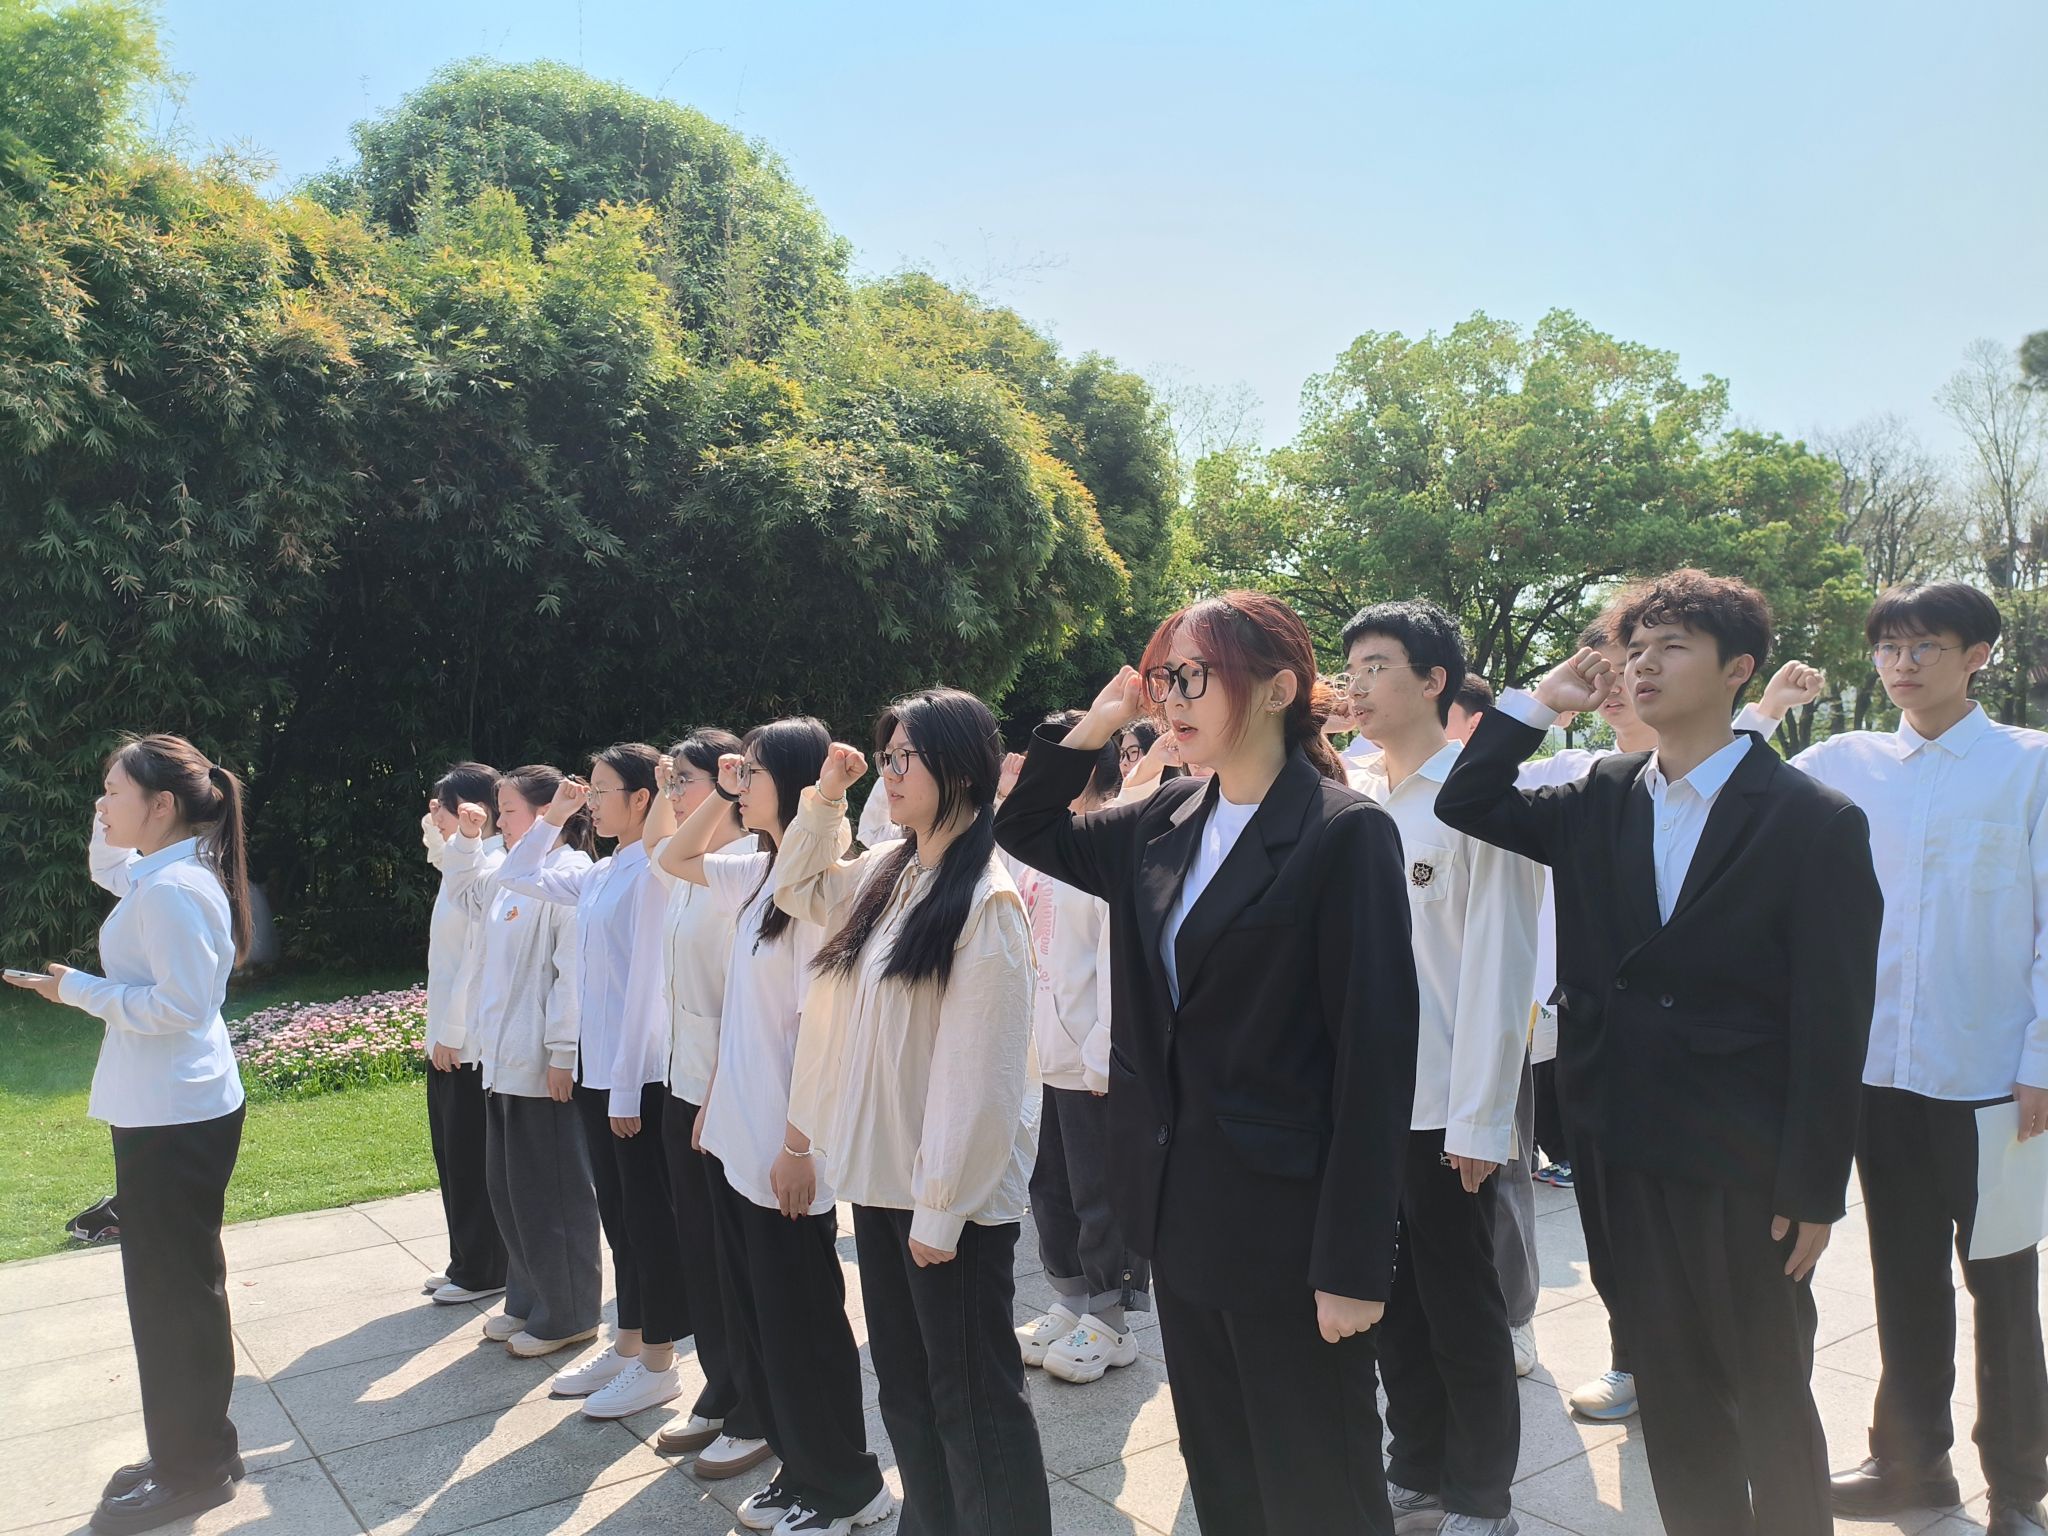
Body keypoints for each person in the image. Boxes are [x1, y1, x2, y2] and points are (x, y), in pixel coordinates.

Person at [1436, 568, 1883, 1536]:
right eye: (1632, 649)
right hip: (1622, 1141)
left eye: (1670, 647)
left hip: (1743, 1158)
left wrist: (1814, 1184)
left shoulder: (1812, 819)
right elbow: (1467, 800)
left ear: (1738, 669)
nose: (1640, 666)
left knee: (1768, 1388)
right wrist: (1539, 704)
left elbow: (1834, 1019)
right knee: (1672, 1391)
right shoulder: (1598, 794)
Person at [996, 590, 1421, 1533]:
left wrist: (1355, 1263)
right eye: (1164, 678)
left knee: (1320, 1481)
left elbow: (1377, 1058)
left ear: (1277, 689)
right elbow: (1024, 828)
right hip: (1178, 1207)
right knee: (1222, 1469)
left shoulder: (1343, 831)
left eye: (1194, 676)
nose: (1172, 698)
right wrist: (1100, 721)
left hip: (1288, 1225)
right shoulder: (1164, 815)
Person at [1755, 584, 2048, 1536]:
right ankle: (1912, 1467)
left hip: (1993, 1078)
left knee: (2003, 1286)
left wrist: (2042, 1059)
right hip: (1879, 1073)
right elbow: (1733, 782)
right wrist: (1769, 708)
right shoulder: (1846, 762)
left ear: (1979, 655)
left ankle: (2019, 1485)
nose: (1903, 664)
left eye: (1927, 646)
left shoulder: (2030, 766)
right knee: (1903, 1276)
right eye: (1889, 648)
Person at [775, 689, 1050, 1536]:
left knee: (972, 1402)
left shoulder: (985, 900)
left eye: (903, 759)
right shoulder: (891, 872)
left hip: (945, 1203)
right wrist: (827, 797)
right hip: (885, 1182)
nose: (888, 774)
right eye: (885, 756)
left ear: (958, 770)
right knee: (906, 1391)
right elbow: (796, 888)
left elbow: (982, 1075)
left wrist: (942, 1207)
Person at [9, 736, 254, 1534]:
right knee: (176, 1290)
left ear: (162, 805)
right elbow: (109, 864)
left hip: (175, 1118)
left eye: (113, 791)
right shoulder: (160, 873)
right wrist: (106, 817)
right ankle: (196, 1448)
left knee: (172, 1298)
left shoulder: (174, 889)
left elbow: (183, 1006)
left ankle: (194, 1468)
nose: (101, 803)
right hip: (167, 1110)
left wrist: (78, 990)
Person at [1342, 602, 1542, 1536]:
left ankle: (1481, 1496)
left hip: (1443, 1101)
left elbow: (1501, 966)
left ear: (1433, 682)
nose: (1357, 686)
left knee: (1463, 1307)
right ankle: (1415, 1467)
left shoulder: (1475, 798)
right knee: (1391, 1303)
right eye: (1351, 668)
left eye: (1378, 666)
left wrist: (1480, 1119)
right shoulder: (1349, 793)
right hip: (1364, 1102)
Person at [665, 719, 891, 1534]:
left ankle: (847, 1487)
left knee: (803, 1325)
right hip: (740, 1137)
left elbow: (818, 1035)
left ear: (796, 785)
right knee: (761, 1321)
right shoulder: (756, 874)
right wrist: (722, 794)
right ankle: (801, 1472)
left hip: (784, 1151)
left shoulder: (816, 892)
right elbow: (673, 858)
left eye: (754, 772)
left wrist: (798, 1147)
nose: (742, 781)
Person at [496, 743, 693, 1421]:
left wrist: (629, 1088)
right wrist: (555, 813)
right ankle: (628, 1343)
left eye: (604, 791)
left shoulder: (654, 874)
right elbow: (517, 872)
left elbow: (646, 990)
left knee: (649, 1222)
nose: (595, 802)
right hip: (596, 1070)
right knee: (620, 1218)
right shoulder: (603, 871)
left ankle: (660, 1363)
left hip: (635, 1076)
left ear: (643, 799)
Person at [1004, 716, 1153, 1386]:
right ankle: (1069, 1300)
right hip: (1043, 1054)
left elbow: (1116, 960)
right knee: (1051, 1188)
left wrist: (1103, 1054)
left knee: (1101, 1194)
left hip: (1090, 1060)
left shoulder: (1109, 840)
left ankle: (1112, 1320)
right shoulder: (1045, 844)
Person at [439, 765, 603, 1358]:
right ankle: (529, 1300)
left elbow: (571, 976)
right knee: (510, 1191)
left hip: (541, 1065)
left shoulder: (571, 875)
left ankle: (569, 1313)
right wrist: (466, 839)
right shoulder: (513, 876)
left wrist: (563, 1052)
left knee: (551, 1193)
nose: (500, 820)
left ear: (545, 813)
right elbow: (465, 891)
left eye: (508, 810)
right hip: (503, 1060)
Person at [641, 730, 767, 1467]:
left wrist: (717, 790)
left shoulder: (746, 868)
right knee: (701, 1250)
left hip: (729, 1088)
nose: (674, 794)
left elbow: (747, 999)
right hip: (682, 1082)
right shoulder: (690, 871)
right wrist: (680, 789)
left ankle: (755, 1404)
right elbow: (659, 846)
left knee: (736, 1257)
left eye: (681, 781)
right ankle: (721, 1387)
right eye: (670, 782)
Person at [1442, 671, 1545, 1383]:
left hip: (1497, 1018)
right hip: (1422, 1034)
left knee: (1503, 1173)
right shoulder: (1379, 785)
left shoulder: (1503, 793)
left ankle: (1515, 1314)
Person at [418, 763, 510, 1306]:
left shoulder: (492, 868)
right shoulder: (463, 863)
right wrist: (439, 825)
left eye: (443, 809)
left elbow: (476, 964)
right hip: (448, 1037)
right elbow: (442, 855)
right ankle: (464, 1259)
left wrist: (452, 1033)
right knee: (450, 1155)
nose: (435, 818)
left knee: (470, 1158)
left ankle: (483, 1268)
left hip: (468, 1042)